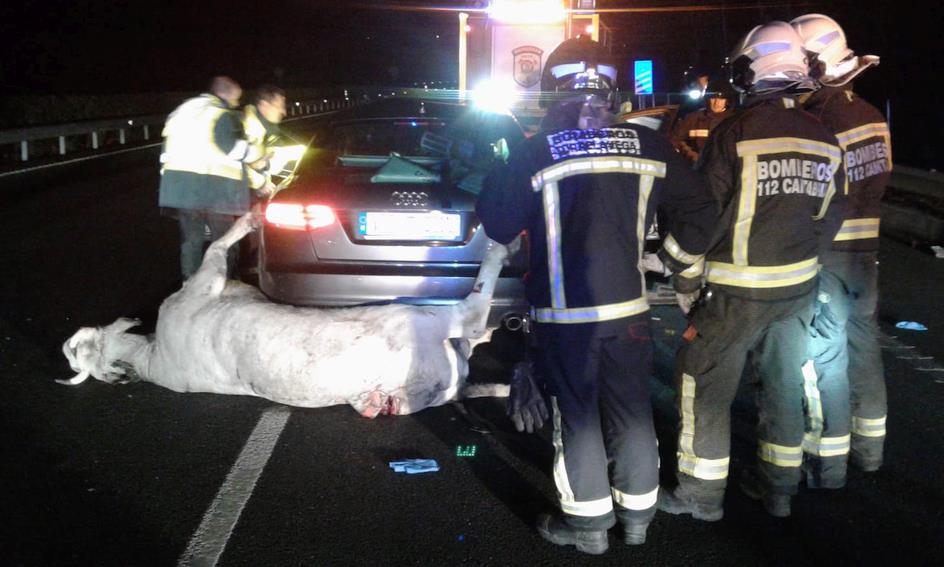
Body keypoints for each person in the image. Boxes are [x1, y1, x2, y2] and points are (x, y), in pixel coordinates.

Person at [477, 38, 716, 554]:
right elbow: (702, 212)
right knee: (632, 411)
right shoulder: (649, 146)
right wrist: (666, 262)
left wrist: (509, 163)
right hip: (628, 311)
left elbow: (496, 222)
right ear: (612, 90)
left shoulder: (535, 150)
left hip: (566, 318)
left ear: (553, 88)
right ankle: (638, 519)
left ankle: (587, 528)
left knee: (578, 414)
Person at [656, 21, 846, 521]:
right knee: (783, 388)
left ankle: (700, 496)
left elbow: (702, 216)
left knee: (704, 387)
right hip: (797, 292)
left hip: (733, 296)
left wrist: (679, 273)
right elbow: (830, 220)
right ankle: (779, 489)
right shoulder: (826, 139)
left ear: (751, 70)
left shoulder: (736, 134)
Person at [791, 13, 892, 487]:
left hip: (829, 251)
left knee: (822, 357)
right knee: (865, 347)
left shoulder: (820, 119)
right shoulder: (872, 115)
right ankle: (870, 451)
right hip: (865, 252)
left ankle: (826, 462)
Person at [158, 76, 267, 279]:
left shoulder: (181, 112)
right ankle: (225, 286)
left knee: (191, 242)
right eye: (236, 99)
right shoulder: (220, 114)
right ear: (225, 94)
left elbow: (166, 154)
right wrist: (260, 154)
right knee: (224, 243)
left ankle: (190, 287)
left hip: (182, 192)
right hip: (216, 191)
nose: (237, 104)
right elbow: (233, 149)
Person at [669, 77, 735, 165]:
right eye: (713, 99)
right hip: (695, 169)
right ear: (707, 99)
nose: (716, 103)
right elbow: (674, 142)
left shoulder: (734, 120)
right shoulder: (693, 118)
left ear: (727, 101)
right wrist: (689, 154)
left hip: (723, 169)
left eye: (721, 99)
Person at [243, 84, 288, 199]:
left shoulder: (267, 128)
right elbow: (237, 166)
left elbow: (263, 161)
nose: (284, 112)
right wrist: (260, 183)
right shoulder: (249, 129)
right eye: (280, 106)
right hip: (240, 194)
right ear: (264, 105)